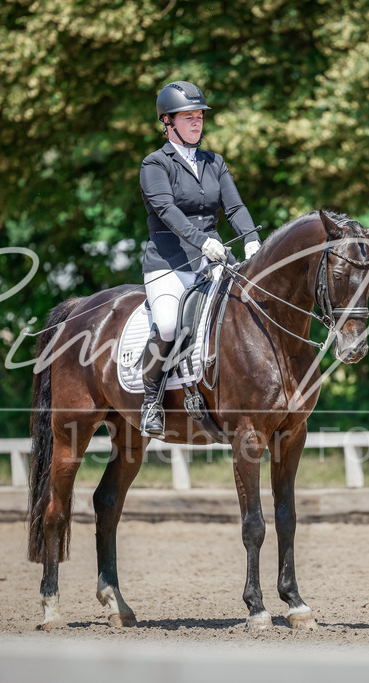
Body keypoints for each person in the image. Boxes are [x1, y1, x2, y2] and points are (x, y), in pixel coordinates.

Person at [138, 80, 262, 437]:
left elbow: (235, 206)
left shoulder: (215, 162)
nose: (196, 123)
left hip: (215, 261)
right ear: (167, 121)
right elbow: (166, 210)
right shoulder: (155, 164)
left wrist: (253, 241)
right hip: (169, 263)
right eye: (188, 117)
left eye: (199, 117)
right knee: (167, 325)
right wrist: (202, 241)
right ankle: (151, 401)